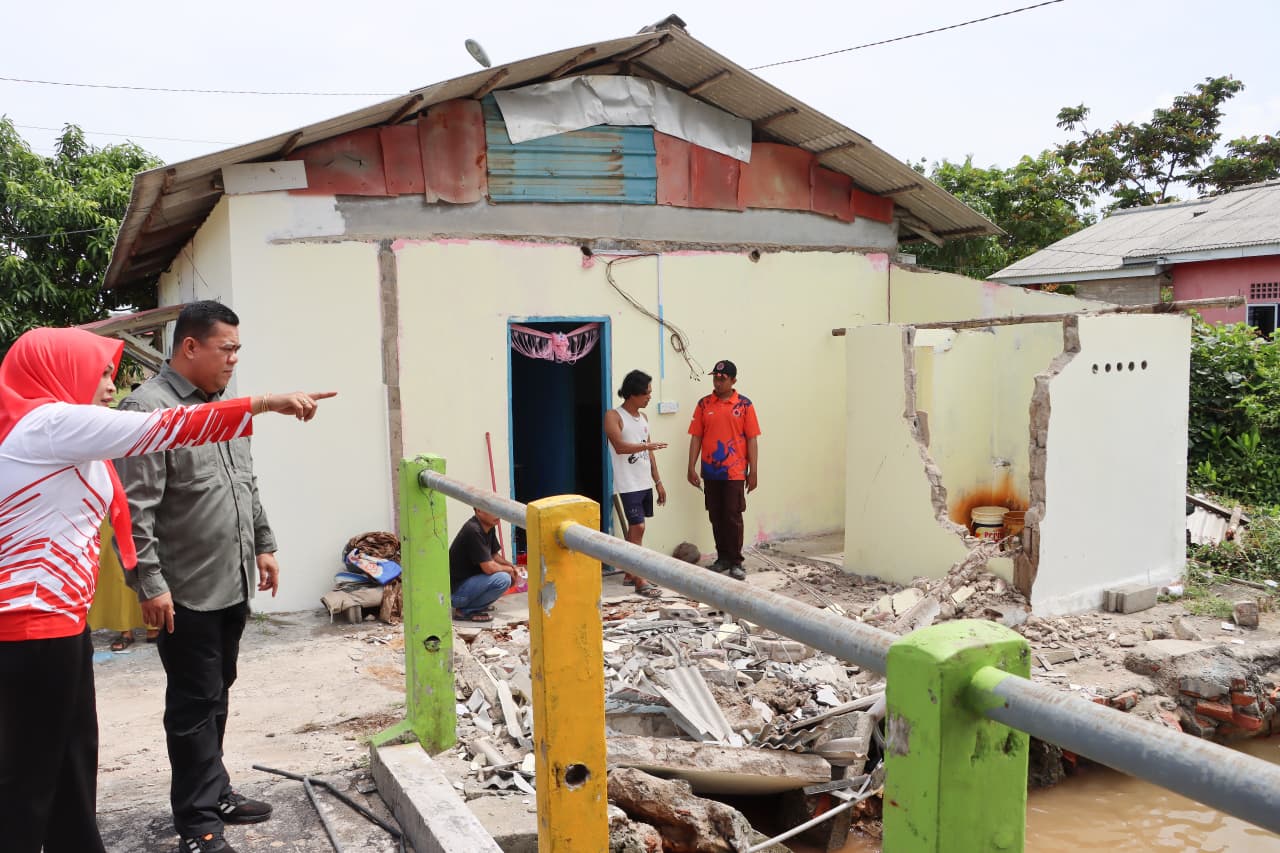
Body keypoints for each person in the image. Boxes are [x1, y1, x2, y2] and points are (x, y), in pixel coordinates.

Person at [0, 325, 330, 853]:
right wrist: (267, 402)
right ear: (56, 373)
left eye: (111, 373)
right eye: (98, 372)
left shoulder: (63, 435)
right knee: (27, 777)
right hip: (29, 626)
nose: (109, 385)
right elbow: (163, 431)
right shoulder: (48, 423)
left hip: (59, 623)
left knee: (70, 758)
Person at [115, 301, 334, 853]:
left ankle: (215, 791)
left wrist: (263, 545)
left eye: (238, 349)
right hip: (184, 588)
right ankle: (196, 821)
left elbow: (245, 481)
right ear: (190, 347)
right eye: (227, 348)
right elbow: (134, 509)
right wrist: (151, 583)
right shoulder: (150, 410)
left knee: (218, 692)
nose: (235, 359)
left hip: (230, 578)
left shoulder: (225, 408)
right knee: (192, 703)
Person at [686, 359, 761, 581]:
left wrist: (753, 470)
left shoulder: (744, 405)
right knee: (716, 515)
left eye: (722, 378)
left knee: (733, 515)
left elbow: (752, 440)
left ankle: (736, 561)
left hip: (735, 472)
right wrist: (691, 466)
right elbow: (696, 437)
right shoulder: (704, 404)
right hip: (711, 472)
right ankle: (722, 558)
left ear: (733, 380)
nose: (718, 382)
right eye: (715, 378)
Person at [604, 369, 667, 597]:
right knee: (638, 527)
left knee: (636, 528)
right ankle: (640, 579)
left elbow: (650, 453)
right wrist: (646, 447)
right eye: (647, 393)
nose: (650, 397)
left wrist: (658, 481)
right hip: (627, 483)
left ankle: (630, 572)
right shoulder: (614, 415)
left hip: (643, 482)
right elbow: (620, 447)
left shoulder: (644, 419)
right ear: (633, 393)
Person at [449, 508, 518, 622]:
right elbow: (489, 568)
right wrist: (509, 570)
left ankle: (476, 605)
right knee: (503, 579)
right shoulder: (473, 530)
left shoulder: (488, 527)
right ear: (479, 511)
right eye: (492, 509)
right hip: (457, 593)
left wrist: (512, 566)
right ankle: (464, 611)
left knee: (506, 575)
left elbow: (494, 555)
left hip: (469, 585)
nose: (498, 513)